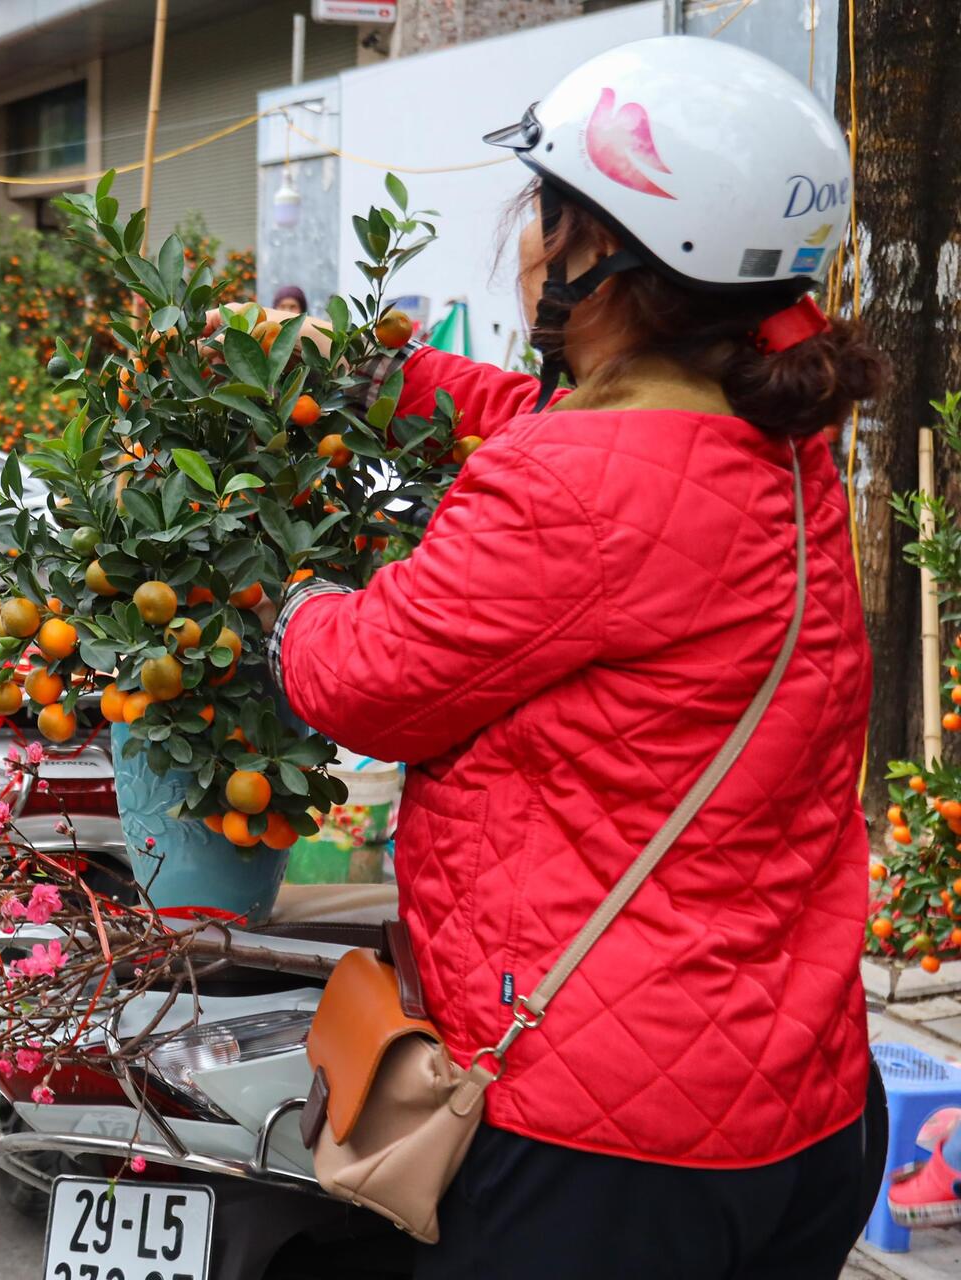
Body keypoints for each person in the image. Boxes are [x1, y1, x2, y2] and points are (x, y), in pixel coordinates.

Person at [257, 38, 887, 1277]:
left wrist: (284, 597)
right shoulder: (777, 432)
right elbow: (564, 426)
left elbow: (363, 677)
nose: (530, 239)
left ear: (610, 253)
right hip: (800, 1100)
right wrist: (382, 379)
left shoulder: (573, 487)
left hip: (605, 1149)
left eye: (547, 210)